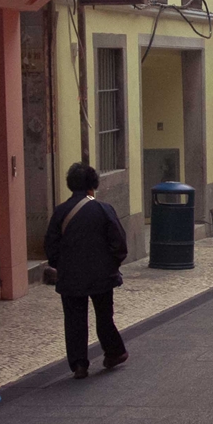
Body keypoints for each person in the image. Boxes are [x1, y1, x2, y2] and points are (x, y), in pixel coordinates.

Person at [44, 163, 128, 380]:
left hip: (71, 276)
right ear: (93, 185)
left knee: (74, 320)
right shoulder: (103, 209)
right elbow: (119, 243)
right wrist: (112, 265)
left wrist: (61, 265)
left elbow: (51, 246)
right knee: (104, 316)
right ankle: (114, 351)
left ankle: (79, 365)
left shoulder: (61, 212)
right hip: (102, 275)